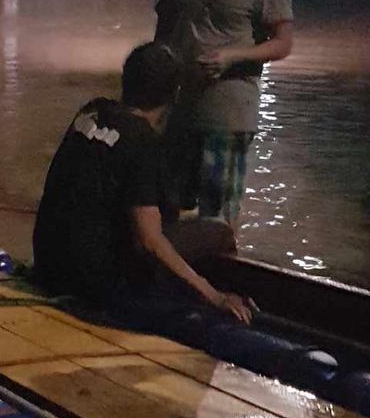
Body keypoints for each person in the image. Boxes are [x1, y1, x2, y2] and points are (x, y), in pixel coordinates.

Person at [33, 42, 254, 338]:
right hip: (93, 285)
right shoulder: (142, 140)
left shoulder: (90, 112)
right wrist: (212, 295)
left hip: (48, 267)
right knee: (220, 231)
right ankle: (222, 301)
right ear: (174, 94)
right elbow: (148, 240)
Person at [172, 0, 294, 223]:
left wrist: (232, 56)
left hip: (228, 116)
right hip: (183, 112)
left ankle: (215, 275)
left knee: (218, 219)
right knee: (167, 208)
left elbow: (283, 44)